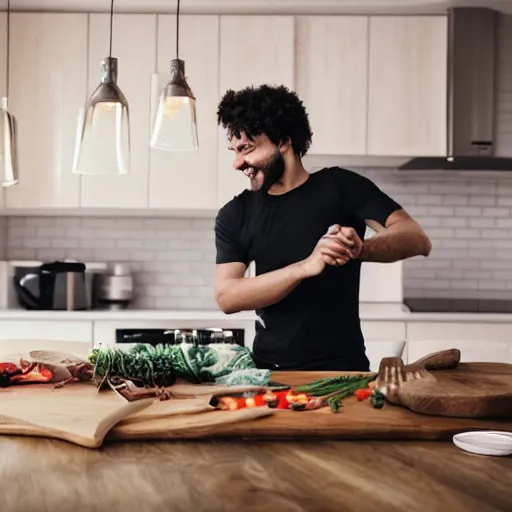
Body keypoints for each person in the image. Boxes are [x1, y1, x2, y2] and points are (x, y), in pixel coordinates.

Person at [214, 84, 432, 372]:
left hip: (345, 371)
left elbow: (416, 239)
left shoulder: (341, 187)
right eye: (234, 151)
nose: (237, 163)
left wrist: (359, 249)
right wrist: (305, 267)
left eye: (246, 149)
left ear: (283, 141)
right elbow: (227, 296)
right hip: (269, 372)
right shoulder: (236, 213)